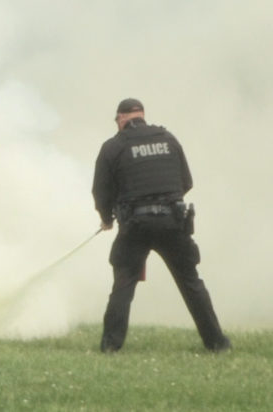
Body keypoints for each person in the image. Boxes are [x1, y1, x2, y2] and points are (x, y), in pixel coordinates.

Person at [92, 98, 231, 353]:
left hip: (135, 226)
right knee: (191, 283)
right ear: (142, 115)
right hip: (172, 223)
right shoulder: (169, 139)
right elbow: (186, 182)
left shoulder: (113, 146)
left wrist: (107, 218)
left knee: (123, 285)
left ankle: (110, 346)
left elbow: (101, 191)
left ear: (121, 118)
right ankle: (217, 344)